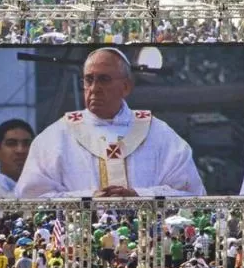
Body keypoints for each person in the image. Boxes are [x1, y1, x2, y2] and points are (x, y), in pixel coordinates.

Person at [15, 48, 206, 199]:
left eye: (104, 80)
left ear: (126, 87)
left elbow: (191, 194)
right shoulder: (55, 137)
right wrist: (88, 200)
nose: (94, 89)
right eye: (89, 80)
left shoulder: (159, 134)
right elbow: (30, 198)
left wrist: (139, 196)